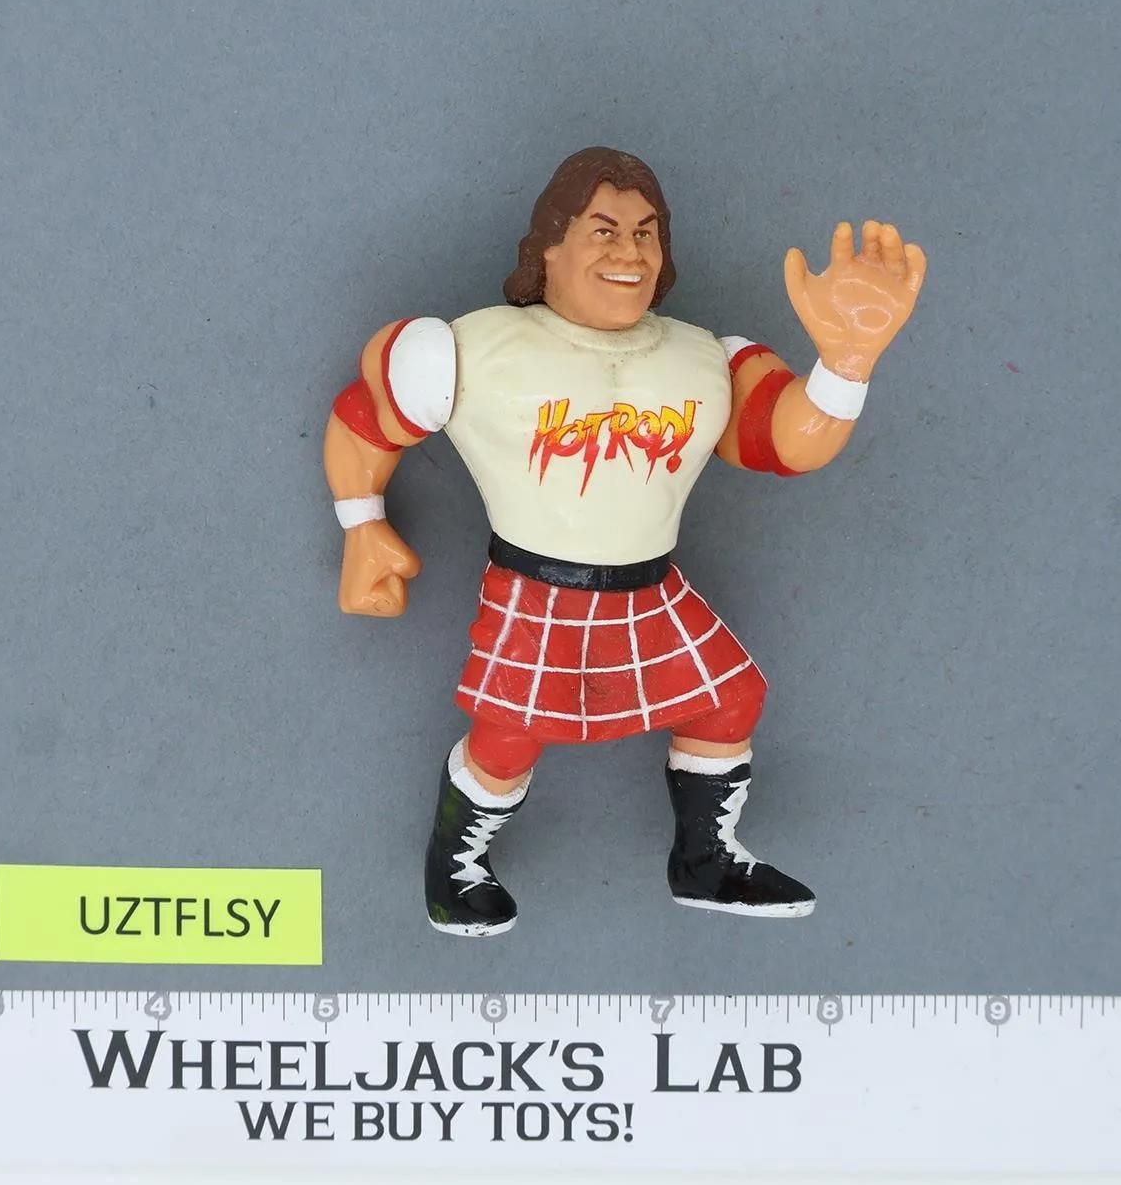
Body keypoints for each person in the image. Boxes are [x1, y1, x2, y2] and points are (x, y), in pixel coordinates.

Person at [322, 147, 927, 936]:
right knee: (510, 735)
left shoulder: (704, 359)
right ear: (550, 245)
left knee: (729, 698)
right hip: (538, 589)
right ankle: (454, 865)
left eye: (646, 232)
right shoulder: (469, 349)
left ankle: (705, 860)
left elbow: (787, 441)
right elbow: (364, 420)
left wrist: (846, 363)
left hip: (650, 588)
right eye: (603, 230)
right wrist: (361, 524)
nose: (630, 252)